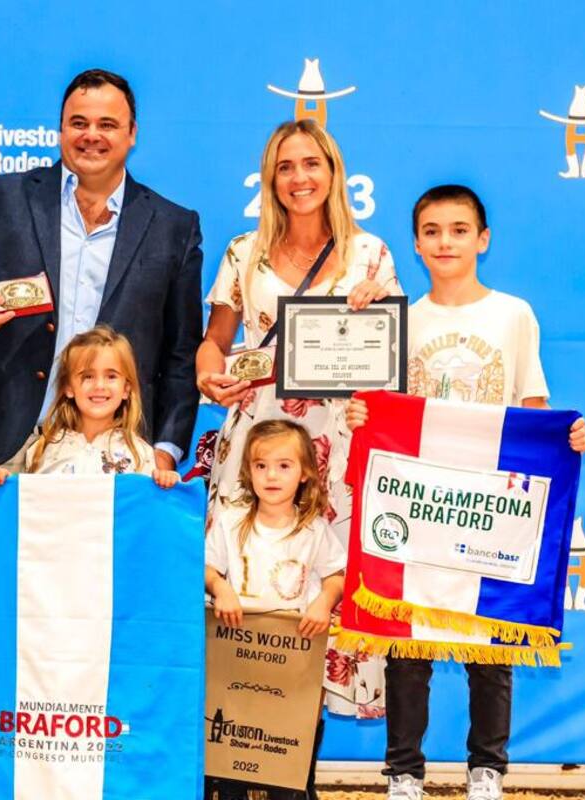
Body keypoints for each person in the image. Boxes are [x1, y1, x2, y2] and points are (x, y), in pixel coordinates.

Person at [344, 184, 585, 800]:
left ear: (483, 239)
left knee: (493, 634)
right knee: (409, 641)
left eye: (458, 229)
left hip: (490, 496)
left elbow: (532, 403)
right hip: (418, 497)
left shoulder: (513, 314)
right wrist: (360, 418)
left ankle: (488, 769)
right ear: (417, 243)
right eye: (431, 231)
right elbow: (379, 401)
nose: (445, 241)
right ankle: (404, 772)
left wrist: (564, 438)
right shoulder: (402, 317)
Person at [196, 118, 398, 734]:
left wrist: (375, 308)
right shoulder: (241, 252)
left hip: (336, 450)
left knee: (315, 595)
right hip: (254, 441)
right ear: (270, 178)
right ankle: (237, 759)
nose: (298, 177)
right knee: (246, 591)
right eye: (285, 167)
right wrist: (209, 374)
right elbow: (213, 342)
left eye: (311, 163)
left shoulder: (371, 255)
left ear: (333, 173)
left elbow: (390, 366)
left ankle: (295, 767)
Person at [0, 68, 203, 487]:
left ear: (132, 133)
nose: (91, 135)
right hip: (3, 452)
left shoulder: (173, 226)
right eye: (79, 123)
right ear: (60, 130)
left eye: (107, 124)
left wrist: (165, 451)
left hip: (122, 455)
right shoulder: (2, 198)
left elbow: (182, 354)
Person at [205, 419, 345, 800]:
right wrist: (220, 588)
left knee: (295, 724)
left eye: (284, 466)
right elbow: (207, 567)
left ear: (304, 474)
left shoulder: (314, 529)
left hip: (294, 650)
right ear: (248, 472)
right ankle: (225, 787)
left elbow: (337, 576)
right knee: (233, 723)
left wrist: (323, 600)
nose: (271, 475)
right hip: (237, 645)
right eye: (261, 465)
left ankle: (300, 783)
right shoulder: (231, 523)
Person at [0, 326, 179, 488]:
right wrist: (0, 482)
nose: (99, 386)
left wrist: (165, 484)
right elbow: (28, 510)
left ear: (126, 389)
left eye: (111, 376)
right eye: (87, 377)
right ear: (68, 388)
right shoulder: (44, 448)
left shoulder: (140, 454)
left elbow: (146, 516)